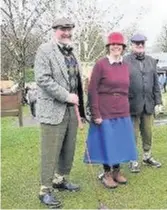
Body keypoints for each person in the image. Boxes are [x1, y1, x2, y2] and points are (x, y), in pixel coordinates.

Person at [34, 17, 85, 208]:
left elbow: (77, 80)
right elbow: (43, 79)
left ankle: (60, 179)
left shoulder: (72, 51)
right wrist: (66, 95)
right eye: (63, 29)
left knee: (68, 148)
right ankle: (45, 190)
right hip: (53, 109)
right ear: (54, 29)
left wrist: (79, 103)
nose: (67, 33)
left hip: (72, 110)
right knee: (50, 151)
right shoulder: (45, 50)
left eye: (70, 29)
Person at [84, 32, 137, 189]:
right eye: (113, 44)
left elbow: (128, 89)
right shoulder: (101, 64)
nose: (116, 47)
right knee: (107, 142)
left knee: (119, 141)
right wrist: (95, 113)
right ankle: (107, 173)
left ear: (123, 48)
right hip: (104, 110)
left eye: (119, 45)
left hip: (122, 109)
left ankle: (116, 171)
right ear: (108, 47)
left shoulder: (126, 66)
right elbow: (92, 90)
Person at [124, 33, 163, 173]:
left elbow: (156, 84)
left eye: (142, 43)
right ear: (132, 45)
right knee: (132, 134)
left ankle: (147, 156)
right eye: (136, 43)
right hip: (132, 105)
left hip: (149, 104)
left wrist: (158, 101)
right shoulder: (124, 61)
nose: (140, 46)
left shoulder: (152, 61)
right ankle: (133, 160)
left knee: (148, 132)